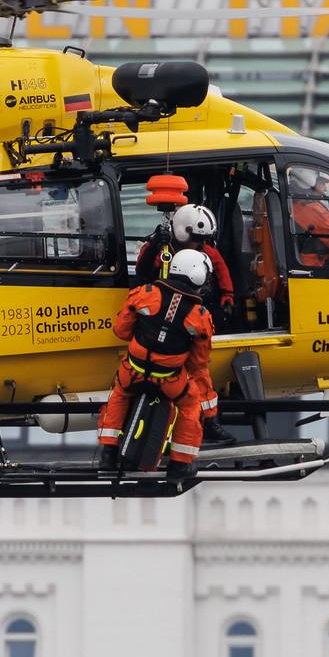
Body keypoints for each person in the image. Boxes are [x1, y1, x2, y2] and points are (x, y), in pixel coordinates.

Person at [97, 249, 214, 483]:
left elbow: (121, 331)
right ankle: (181, 464)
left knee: (119, 395)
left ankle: (108, 453)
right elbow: (199, 361)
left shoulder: (145, 294)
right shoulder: (200, 316)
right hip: (170, 381)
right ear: (199, 276)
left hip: (133, 372)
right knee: (191, 405)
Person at [133, 202, 236, 320]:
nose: (202, 243)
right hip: (163, 301)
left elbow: (221, 269)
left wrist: (227, 294)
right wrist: (154, 245)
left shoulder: (207, 251)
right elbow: (142, 272)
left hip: (193, 302)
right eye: (198, 239)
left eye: (205, 239)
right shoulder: (162, 248)